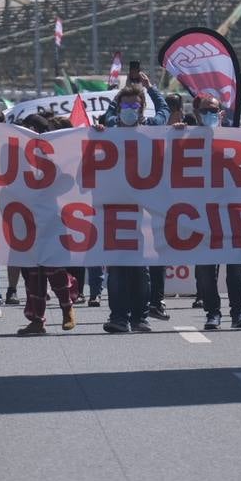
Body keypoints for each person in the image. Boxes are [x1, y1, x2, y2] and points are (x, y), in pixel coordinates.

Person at [98, 82, 161, 334]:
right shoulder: (106, 132)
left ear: (142, 108)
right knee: (117, 269)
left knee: (140, 270)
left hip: (143, 211)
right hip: (114, 211)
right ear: (118, 107)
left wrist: (178, 134)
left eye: (135, 105)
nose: (130, 109)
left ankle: (140, 317)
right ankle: (118, 317)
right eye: (126, 104)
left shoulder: (154, 133)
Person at [188, 92, 241, 330]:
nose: (209, 115)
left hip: (233, 215)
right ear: (196, 114)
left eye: (213, 110)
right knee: (205, 272)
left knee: (236, 271)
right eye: (205, 110)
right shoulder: (186, 139)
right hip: (202, 216)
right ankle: (212, 313)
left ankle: (239, 313)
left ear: (222, 113)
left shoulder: (239, 138)